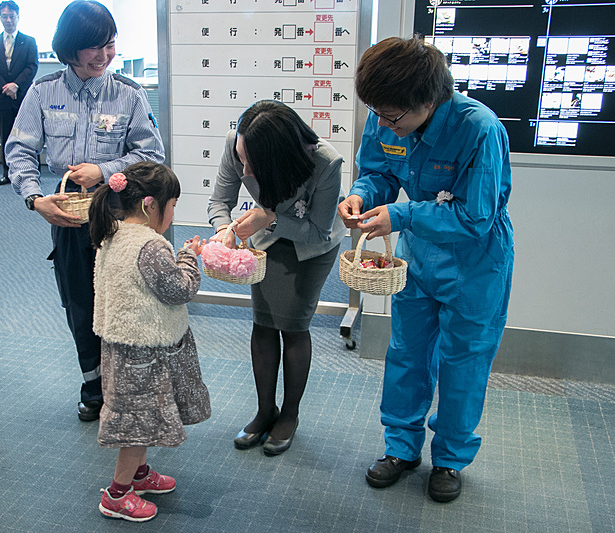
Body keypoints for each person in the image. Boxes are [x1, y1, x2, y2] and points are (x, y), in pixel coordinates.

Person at [338, 37, 514, 503]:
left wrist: (401, 216)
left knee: (464, 362)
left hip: (477, 265)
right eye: (375, 112)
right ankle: (400, 447)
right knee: (407, 355)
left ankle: (451, 458)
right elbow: (379, 173)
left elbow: (475, 218)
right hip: (418, 261)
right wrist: (363, 194)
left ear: (430, 101)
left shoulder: (479, 130)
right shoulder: (387, 115)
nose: (381, 123)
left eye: (392, 117)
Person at [5, 0, 164, 423]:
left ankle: (125, 381)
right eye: (94, 48)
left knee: (123, 302)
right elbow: (19, 151)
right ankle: (93, 381)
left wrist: (105, 170)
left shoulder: (128, 93)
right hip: (70, 219)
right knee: (80, 303)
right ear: (69, 48)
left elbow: (152, 154)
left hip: (119, 221)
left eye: (109, 45)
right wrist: (35, 198)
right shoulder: (43, 92)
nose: (104, 55)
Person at [208, 100, 346, 456]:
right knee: (264, 322)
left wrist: (268, 220)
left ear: (279, 155)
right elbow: (219, 201)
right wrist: (225, 229)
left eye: (252, 163)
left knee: (294, 325)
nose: (245, 168)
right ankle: (264, 411)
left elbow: (318, 231)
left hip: (312, 248)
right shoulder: (238, 144)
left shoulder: (325, 163)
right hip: (266, 241)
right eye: (241, 158)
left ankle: (290, 414)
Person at [89, 161, 210, 522]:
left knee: (139, 417)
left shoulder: (113, 234)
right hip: (140, 353)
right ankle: (118, 493)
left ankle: (139, 476)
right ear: (149, 205)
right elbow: (179, 289)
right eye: (172, 206)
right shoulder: (150, 246)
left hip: (121, 346)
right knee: (137, 425)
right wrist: (189, 257)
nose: (173, 214)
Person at [0, 0, 38, 185]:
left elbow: (32, 67)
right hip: (2, 98)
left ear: (18, 17)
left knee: (26, 136)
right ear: (0, 18)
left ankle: (30, 172)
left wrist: (16, 85)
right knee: (5, 136)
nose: (8, 20)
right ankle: (7, 173)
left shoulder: (29, 41)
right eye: (4, 16)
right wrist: (5, 88)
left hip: (23, 96)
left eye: (11, 16)